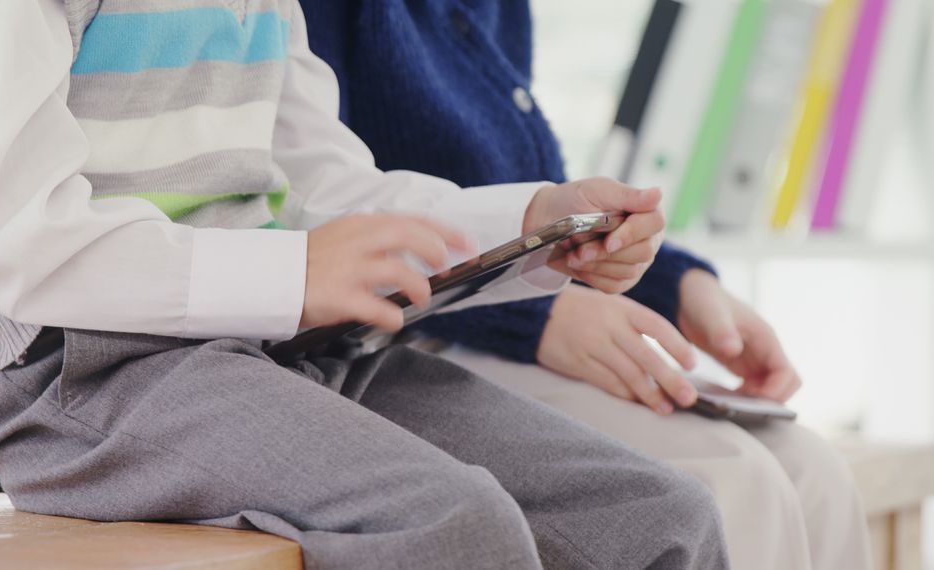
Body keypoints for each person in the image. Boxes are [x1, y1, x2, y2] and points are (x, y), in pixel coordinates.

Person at [0, 1, 732, 569]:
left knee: (657, 517)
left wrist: (535, 225)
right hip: (76, 374)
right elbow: (0, 235)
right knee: (449, 527)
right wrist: (293, 272)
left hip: (273, 344)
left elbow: (327, 188)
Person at [298, 1, 873, 568]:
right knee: (735, 479)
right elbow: (326, 223)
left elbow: (508, 188)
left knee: (814, 472)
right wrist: (538, 317)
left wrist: (674, 284)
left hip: (503, 306)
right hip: (399, 337)